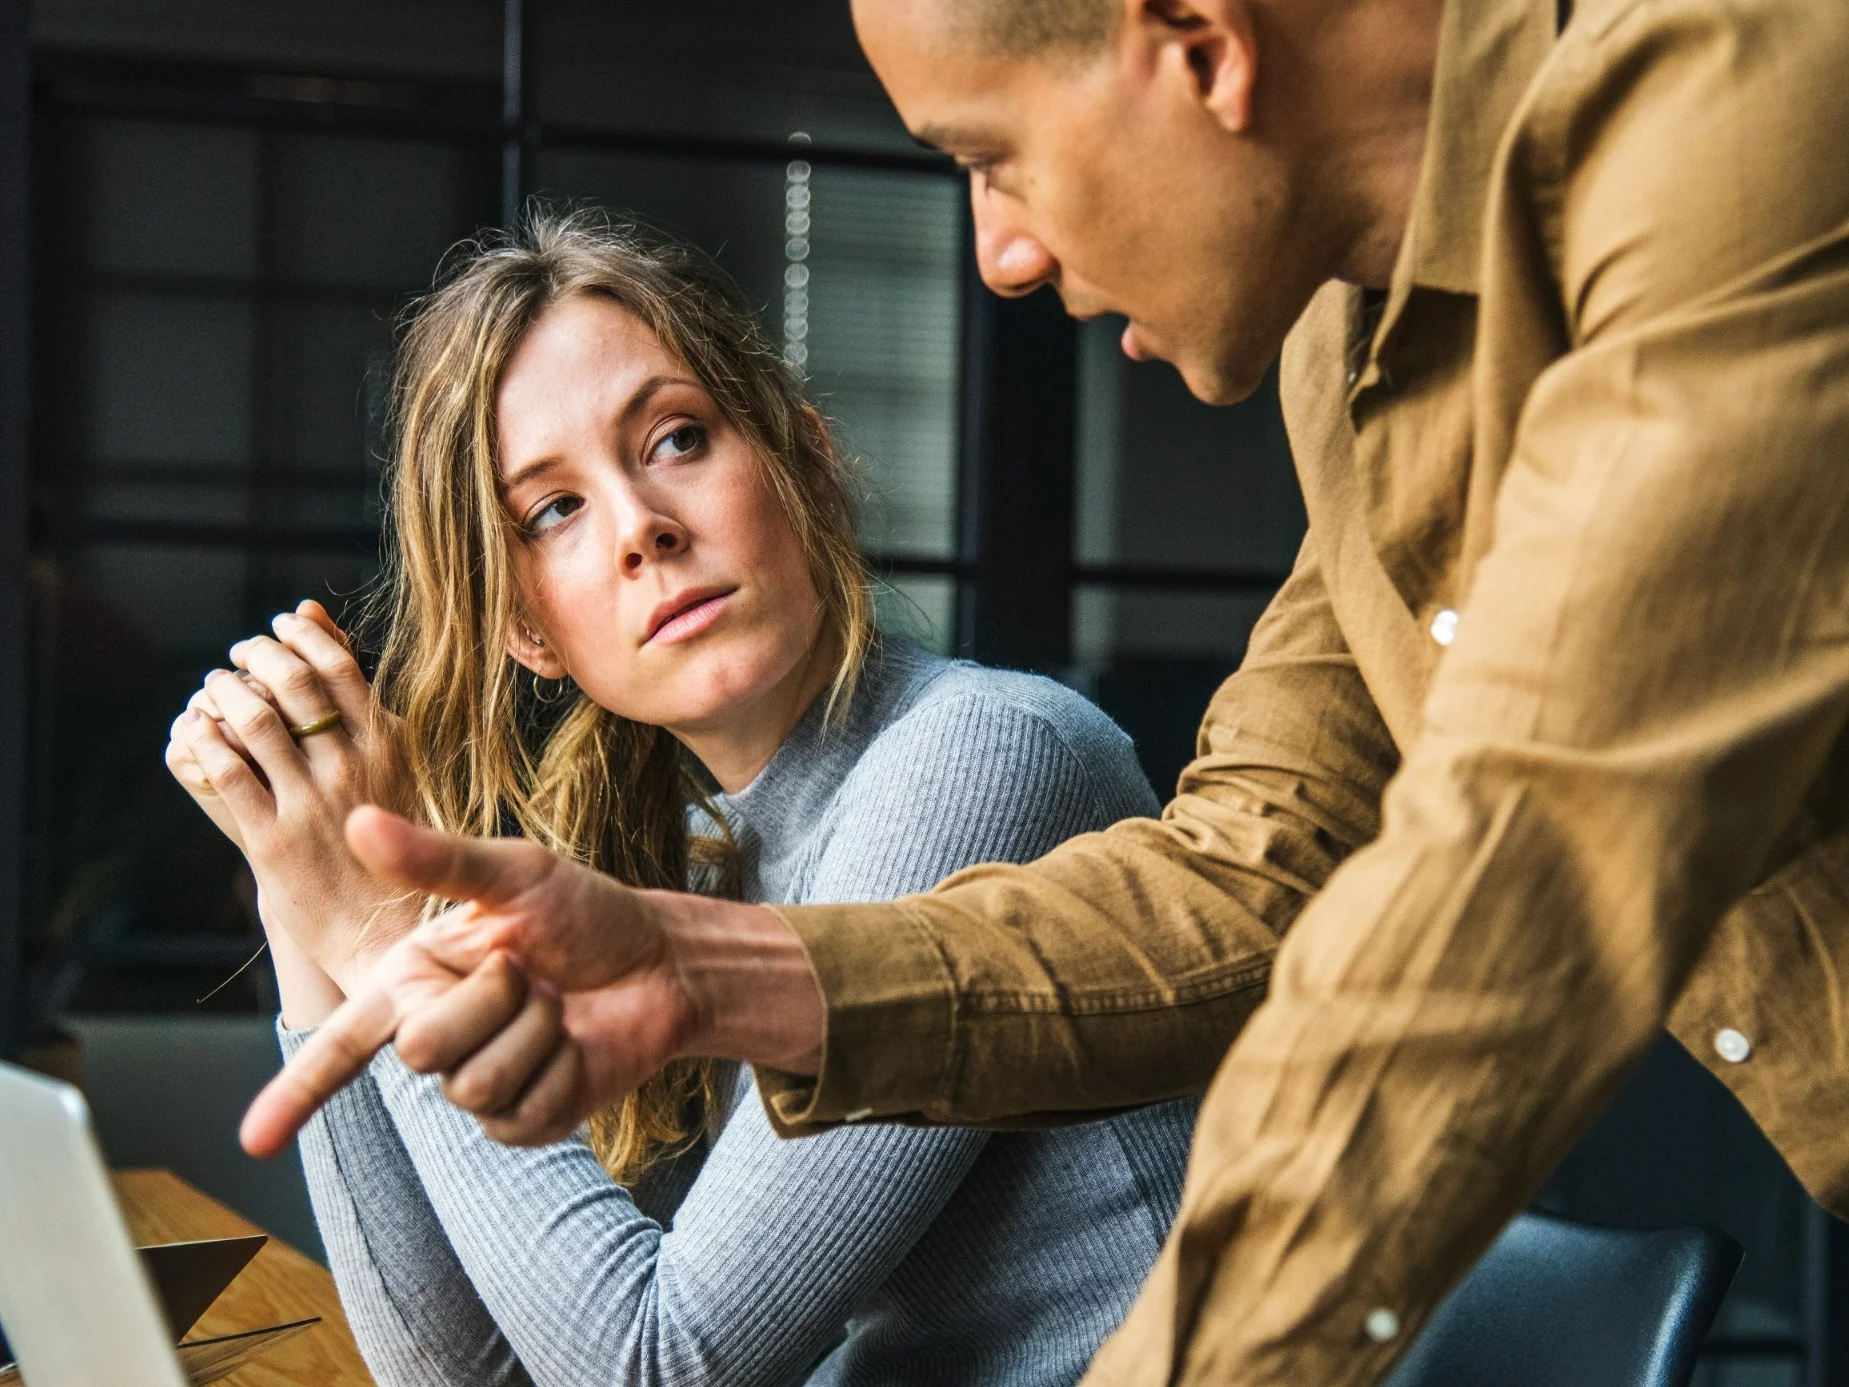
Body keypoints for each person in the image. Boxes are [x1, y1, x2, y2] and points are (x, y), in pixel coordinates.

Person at [248, 0, 1849, 1383]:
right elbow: (1254, 865)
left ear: (1198, 45)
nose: (1000, 255)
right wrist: (703, 963)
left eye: (989, 155)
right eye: (548, 511)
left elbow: (1514, 881)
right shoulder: (1346, 354)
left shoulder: (1737, 137)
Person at [169, 212, 1200, 1386]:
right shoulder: (698, 856)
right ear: (527, 632)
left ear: (805, 461)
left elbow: (658, 1369)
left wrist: (381, 932)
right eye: (554, 509)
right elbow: (466, 1374)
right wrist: (300, 882)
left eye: (676, 438)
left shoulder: (982, 755)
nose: (640, 528)